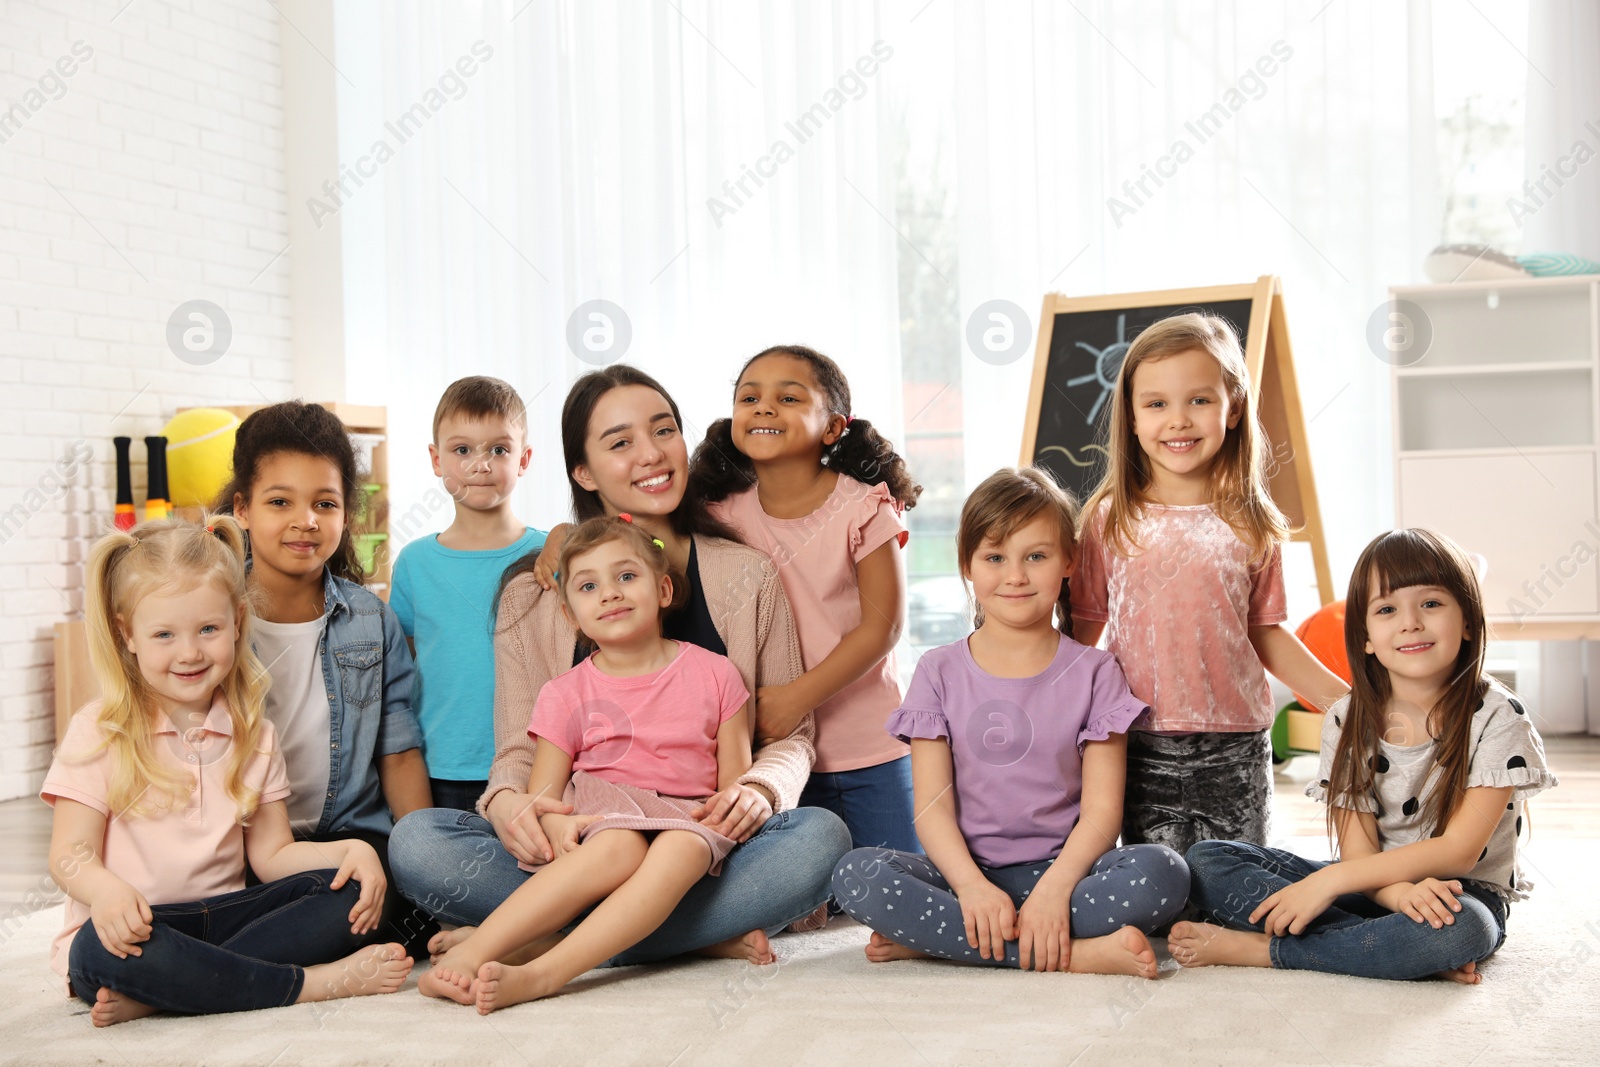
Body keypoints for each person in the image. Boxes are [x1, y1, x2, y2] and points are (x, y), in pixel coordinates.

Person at [389, 365, 850, 966]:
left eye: (664, 431)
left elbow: (791, 736)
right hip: (581, 841)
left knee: (820, 841)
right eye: (620, 442)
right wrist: (509, 804)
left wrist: (762, 789)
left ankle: (551, 936)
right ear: (582, 470)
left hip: (700, 840)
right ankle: (688, 938)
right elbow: (517, 751)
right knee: (419, 844)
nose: (651, 454)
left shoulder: (746, 574)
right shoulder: (535, 592)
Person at [43, 517, 411, 1027]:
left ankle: (174, 991)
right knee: (93, 954)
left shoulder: (254, 734)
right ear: (127, 634)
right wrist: (104, 891)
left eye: (208, 629)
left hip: (230, 918)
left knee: (347, 893)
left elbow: (274, 854)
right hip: (136, 931)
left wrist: (352, 851)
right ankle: (309, 985)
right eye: (164, 634)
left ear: (238, 621)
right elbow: (69, 854)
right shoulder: (99, 729)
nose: (190, 652)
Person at [832, 468, 1187, 976]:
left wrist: (1055, 889)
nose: (1015, 576)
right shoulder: (938, 671)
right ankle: (1076, 955)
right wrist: (972, 888)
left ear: (1068, 562)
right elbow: (932, 809)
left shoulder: (1097, 672)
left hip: (1068, 877)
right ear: (968, 567)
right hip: (963, 877)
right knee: (856, 875)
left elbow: (1102, 811)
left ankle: (945, 942)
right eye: (994, 558)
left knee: (1164, 873)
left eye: (1036, 556)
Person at [1172, 528, 1557, 982]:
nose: (1410, 622)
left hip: (1460, 892)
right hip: (1368, 882)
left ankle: (1268, 951)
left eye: (1431, 604)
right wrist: (1391, 897)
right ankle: (1389, 950)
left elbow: (1458, 853)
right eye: (1387, 609)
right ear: (1367, 636)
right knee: (1205, 861)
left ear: (1469, 621)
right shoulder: (1346, 718)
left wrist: (1328, 882)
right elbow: (1357, 853)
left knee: (1461, 932)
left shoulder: (1498, 716)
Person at [421, 516, 756, 1010]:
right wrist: (555, 828)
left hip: (689, 822)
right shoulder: (563, 693)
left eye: (626, 576)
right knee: (617, 848)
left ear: (663, 589)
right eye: (588, 585)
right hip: (605, 820)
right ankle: (478, 953)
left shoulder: (716, 673)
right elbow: (544, 801)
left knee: (684, 849)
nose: (610, 594)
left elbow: (735, 784)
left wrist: (732, 813)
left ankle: (544, 970)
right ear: (570, 614)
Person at [1070, 313, 1349, 855]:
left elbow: (1266, 632)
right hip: (1137, 741)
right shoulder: (1109, 518)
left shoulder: (1253, 521)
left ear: (1234, 407)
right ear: (1130, 416)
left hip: (1235, 744)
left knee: (1235, 886)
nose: (1178, 420)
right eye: (1156, 404)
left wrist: (1345, 704)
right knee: (1161, 887)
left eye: (1198, 400)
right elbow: (1086, 629)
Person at [216, 401, 432, 950]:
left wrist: (426, 862)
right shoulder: (211, 618)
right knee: (180, 908)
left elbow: (399, 750)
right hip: (239, 847)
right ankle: (211, 957)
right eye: (280, 501)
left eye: (325, 503)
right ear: (242, 508)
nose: (305, 520)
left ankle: (193, 967)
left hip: (347, 843)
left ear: (345, 513)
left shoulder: (369, 619)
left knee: (366, 905)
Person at [688, 344, 921, 853]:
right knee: (798, 888)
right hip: (773, 754)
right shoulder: (719, 516)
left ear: (834, 427)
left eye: (789, 397)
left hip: (867, 747)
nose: (764, 407)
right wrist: (561, 542)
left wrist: (795, 699)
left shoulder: (863, 506)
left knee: (896, 880)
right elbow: (643, 546)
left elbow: (884, 626)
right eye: (749, 397)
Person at [391, 376, 547, 812]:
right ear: (436, 459)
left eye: (499, 449)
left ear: (524, 459)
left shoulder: (550, 553)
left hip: (537, 764)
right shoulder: (414, 563)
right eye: (463, 450)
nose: (481, 464)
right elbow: (403, 667)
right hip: (442, 767)